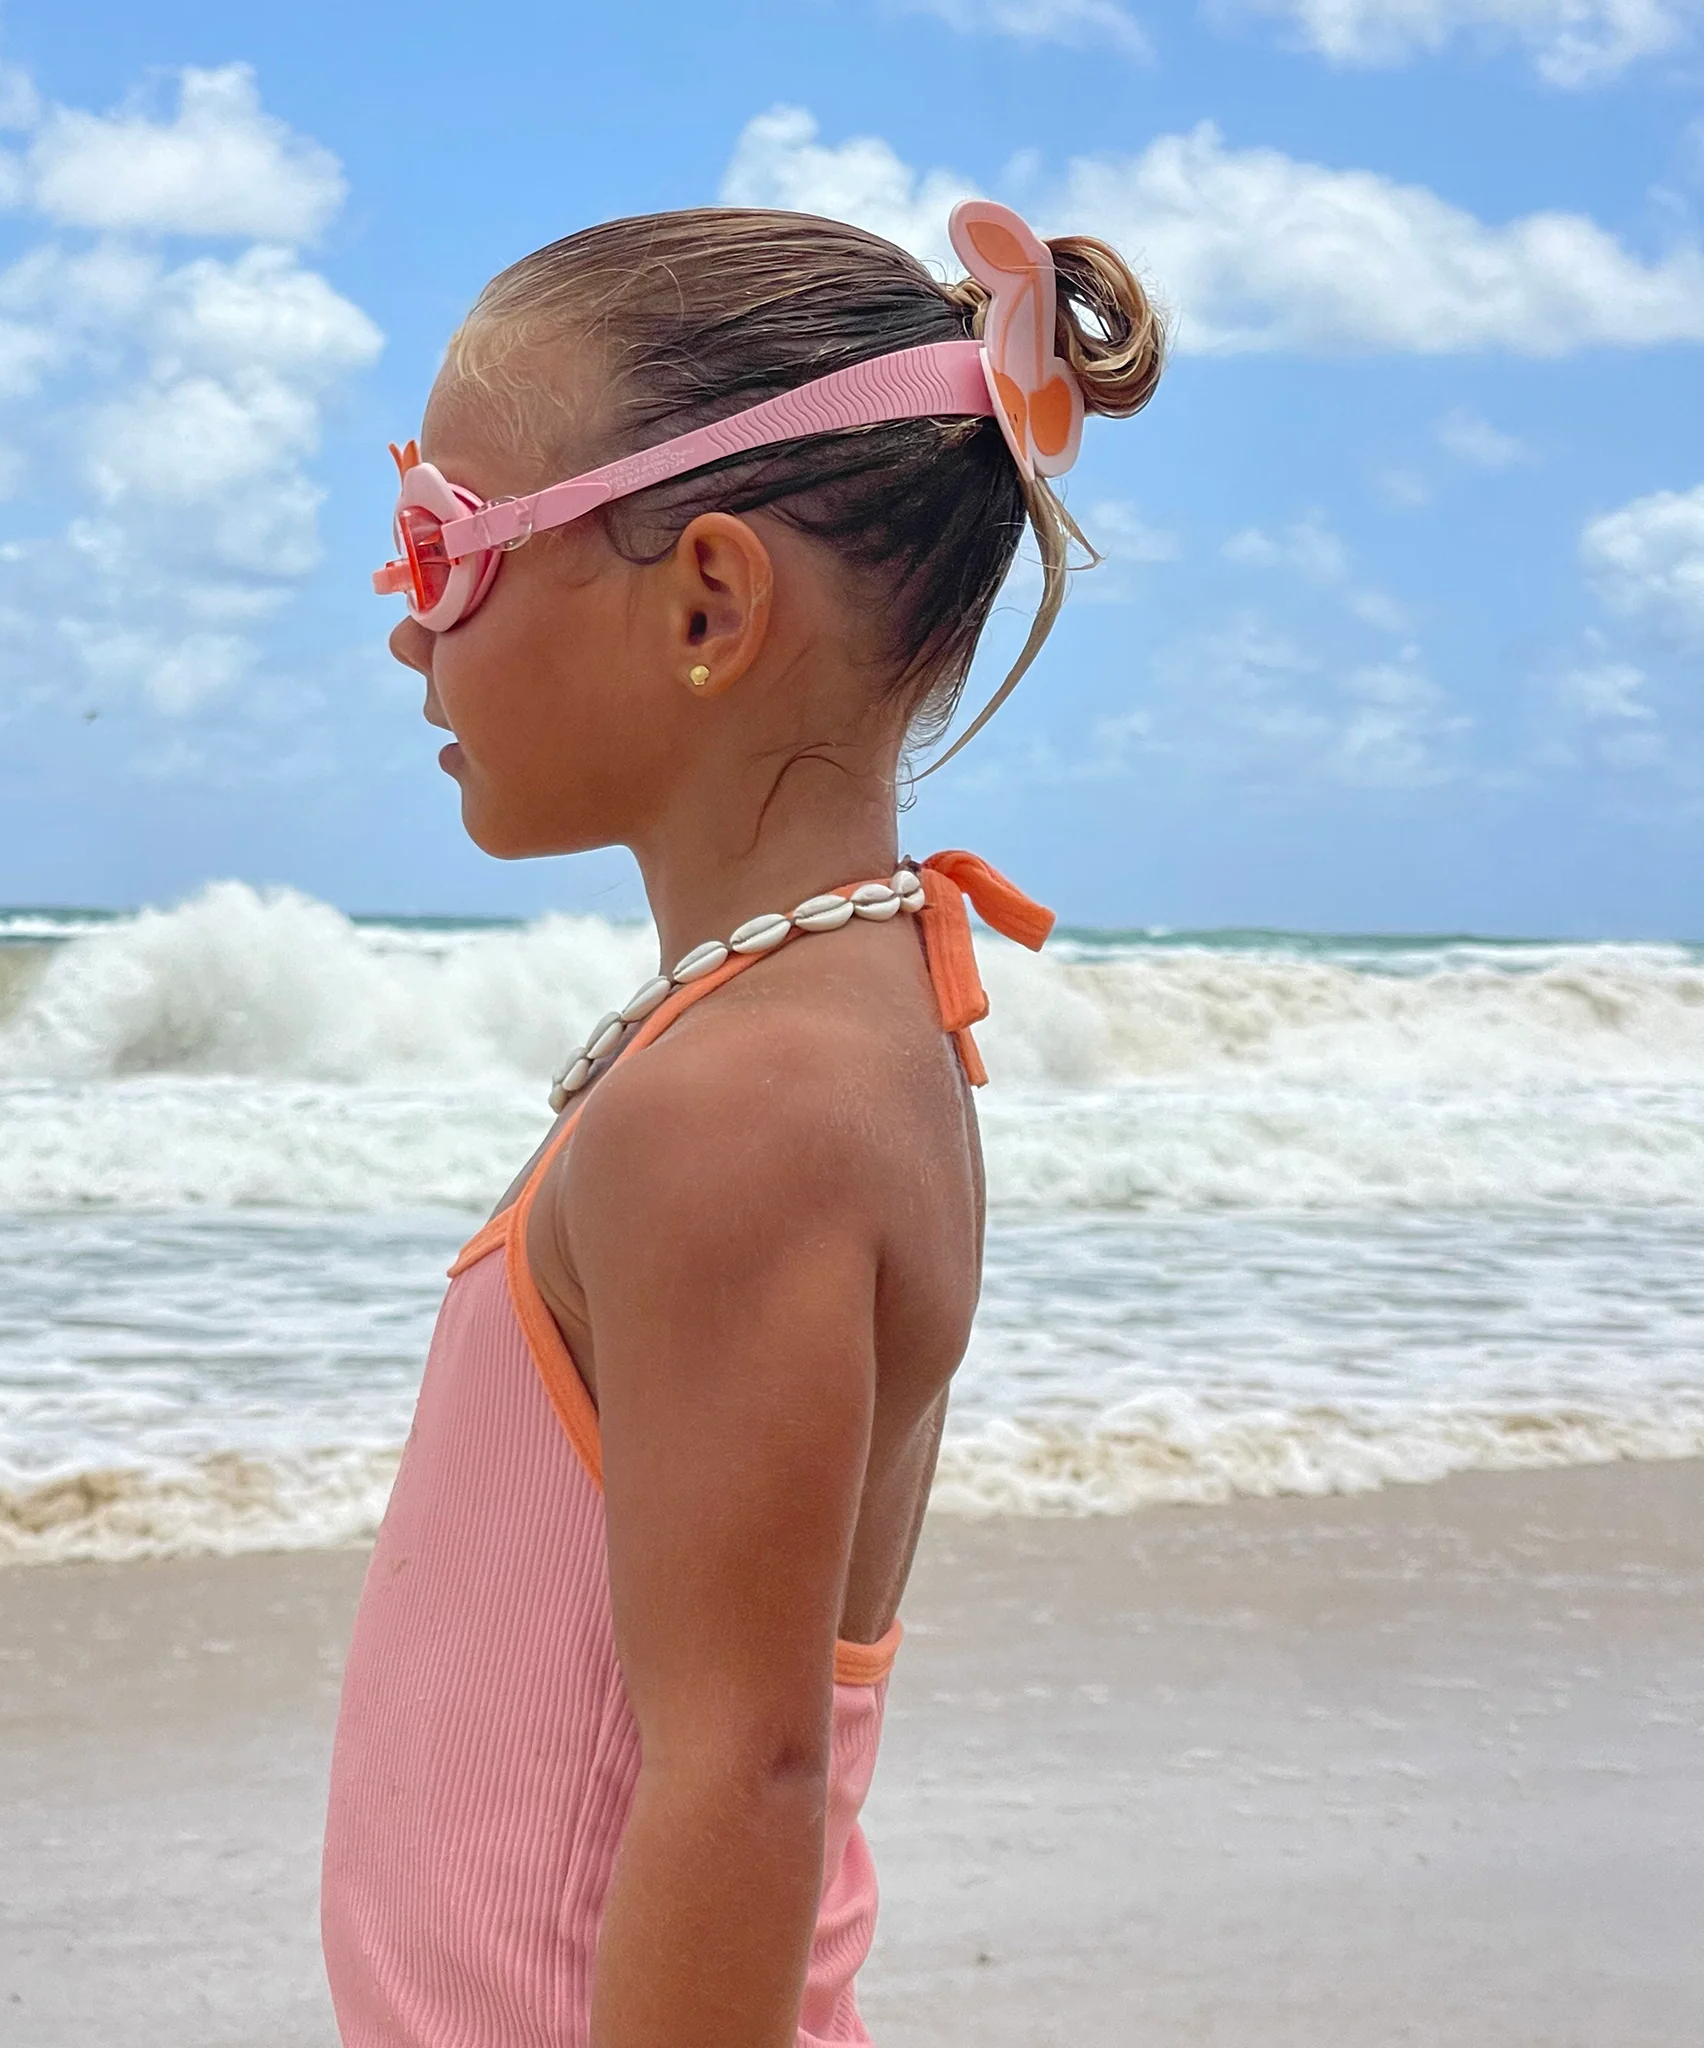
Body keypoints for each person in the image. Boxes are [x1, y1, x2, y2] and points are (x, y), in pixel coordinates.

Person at [323, 199, 1164, 2048]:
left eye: (440, 548)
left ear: (709, 600)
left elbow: (744, 1772)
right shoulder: (813, 1028)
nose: (403, 629)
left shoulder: (746, 1102)